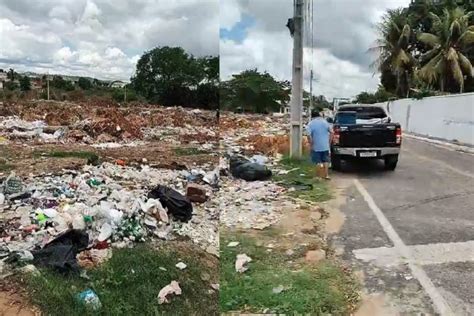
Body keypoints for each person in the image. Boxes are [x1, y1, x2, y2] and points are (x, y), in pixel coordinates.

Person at [306, 110, 332, 180]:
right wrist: (329, 141)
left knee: (318, 161)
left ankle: (318, 176)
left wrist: (311, 143)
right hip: (325, 145)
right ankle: (326, 175)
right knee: (326, 161)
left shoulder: (310, 124)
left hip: (316, 146)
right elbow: (331, 132)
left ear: (312, 116)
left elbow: (308, 135)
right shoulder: (325, 122)